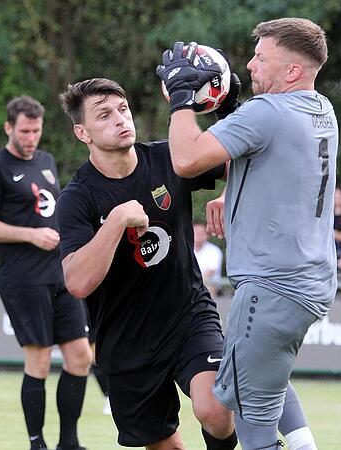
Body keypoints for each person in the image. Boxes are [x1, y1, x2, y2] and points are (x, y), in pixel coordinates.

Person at [157, 17, 336, 450]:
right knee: (268, 378)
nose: (250, 65)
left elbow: (186, 160)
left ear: (292, 71)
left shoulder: (267, 112)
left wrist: (182, 98)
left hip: (271, 286)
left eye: (261, 57)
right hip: (310, 282)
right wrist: (236, 186)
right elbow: (274, 163)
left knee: (250, 421)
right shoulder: (321, 108)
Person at [57, 78, 236, 450]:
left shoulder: (170, 157)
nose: (120, 120)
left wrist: (230, 191)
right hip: (125, 340)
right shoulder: (76, 199)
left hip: (188, 316)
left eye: (122, 110)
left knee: (217, 411)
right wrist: (117, 221)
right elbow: (77, 282)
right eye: (104, 115)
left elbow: (245, 163)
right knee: (165, 445)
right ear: (82, 132)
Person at [0, 96, 92, 450]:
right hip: (23, 276)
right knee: (38, 359)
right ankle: (36, 443)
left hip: (60, 271)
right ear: (9, 127)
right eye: (24, 130)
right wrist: (30, 235)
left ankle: (68, 442)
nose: (31, 137)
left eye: (36, 130)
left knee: (80, 356)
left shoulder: (46, 161)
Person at [193, 222, 224, 296]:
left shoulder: (214, 250)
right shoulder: (184, 249)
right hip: (190, 283)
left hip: (209, 285)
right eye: (196, 233)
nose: (198, 236)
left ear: (207, 235)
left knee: (207, 287)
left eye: (201, 233)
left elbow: (211, 271)